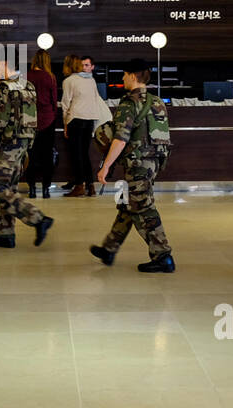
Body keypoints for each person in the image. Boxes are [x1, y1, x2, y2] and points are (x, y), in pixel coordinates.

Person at [91, 59, 174, 272]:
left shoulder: (129, 102)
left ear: (133, 76)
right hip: (153, 162)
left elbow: (120, 138)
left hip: (137, 163)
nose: (122, 78)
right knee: (128, 203)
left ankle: (163, 255)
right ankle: (109, 248)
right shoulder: (157, 101)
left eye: (124, 74)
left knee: (143, 208)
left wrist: (105, 166)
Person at [0, 60, 53, 248]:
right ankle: (6, 235)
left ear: (5, 63)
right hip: (24, 143)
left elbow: (0, 119)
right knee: (8, 187)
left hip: (9, 142)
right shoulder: (27, 85)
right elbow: (33, 116)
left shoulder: (4, 87)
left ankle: (38, 219)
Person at [61, 53, 111, 196]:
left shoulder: (69, 81)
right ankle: (90, 185)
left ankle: (79, 186)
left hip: (75, 119)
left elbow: (65, 104)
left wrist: (65, 124)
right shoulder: (91, 80)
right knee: (84, 154)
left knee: (76, 155)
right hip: (90, 120)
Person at [26, 50, 59, 199]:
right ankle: (46, 189)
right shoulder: (50, 77)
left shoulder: (26, 76)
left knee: (31, 156)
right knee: (47, 156)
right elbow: (54, 100)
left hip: (30, 120)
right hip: (48, 119)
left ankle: (32, 189)